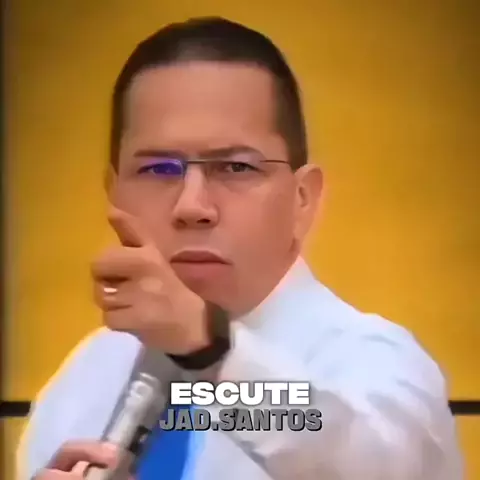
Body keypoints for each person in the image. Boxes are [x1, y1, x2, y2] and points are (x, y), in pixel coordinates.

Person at [18, 16, 463, 480]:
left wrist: (208, 351)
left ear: (302, 198)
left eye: (235, 167)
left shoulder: (373, 363)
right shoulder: (85, 378)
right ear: (114, 193)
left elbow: (370, 463)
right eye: (158, 169)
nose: (192, 206)